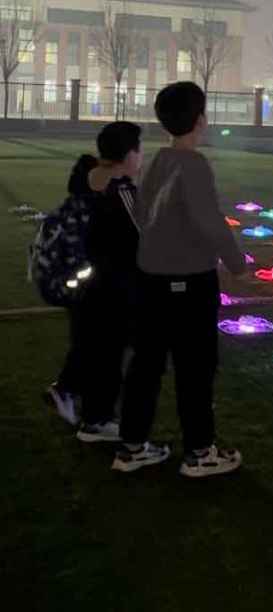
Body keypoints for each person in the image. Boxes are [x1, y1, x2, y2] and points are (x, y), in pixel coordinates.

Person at [114, 82, 248, 478]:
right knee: (195, 368)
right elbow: (210, 221)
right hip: (189, 282)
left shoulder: (157, 161)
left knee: (146, 364)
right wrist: (236, 263)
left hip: (150, 279)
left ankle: (132, 446)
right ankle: (200, 452)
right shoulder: (194, 165)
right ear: (200, 120)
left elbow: (141, 213)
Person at [43, 123, 141, 442]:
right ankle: (92, 416)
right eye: (138, 150)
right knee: (109, 355)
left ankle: (78, 402)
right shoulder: (122, 191)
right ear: (128, 155)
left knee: (89, 345)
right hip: (113, 288)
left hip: (82, 283)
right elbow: (143, 240)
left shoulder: (86, 181)